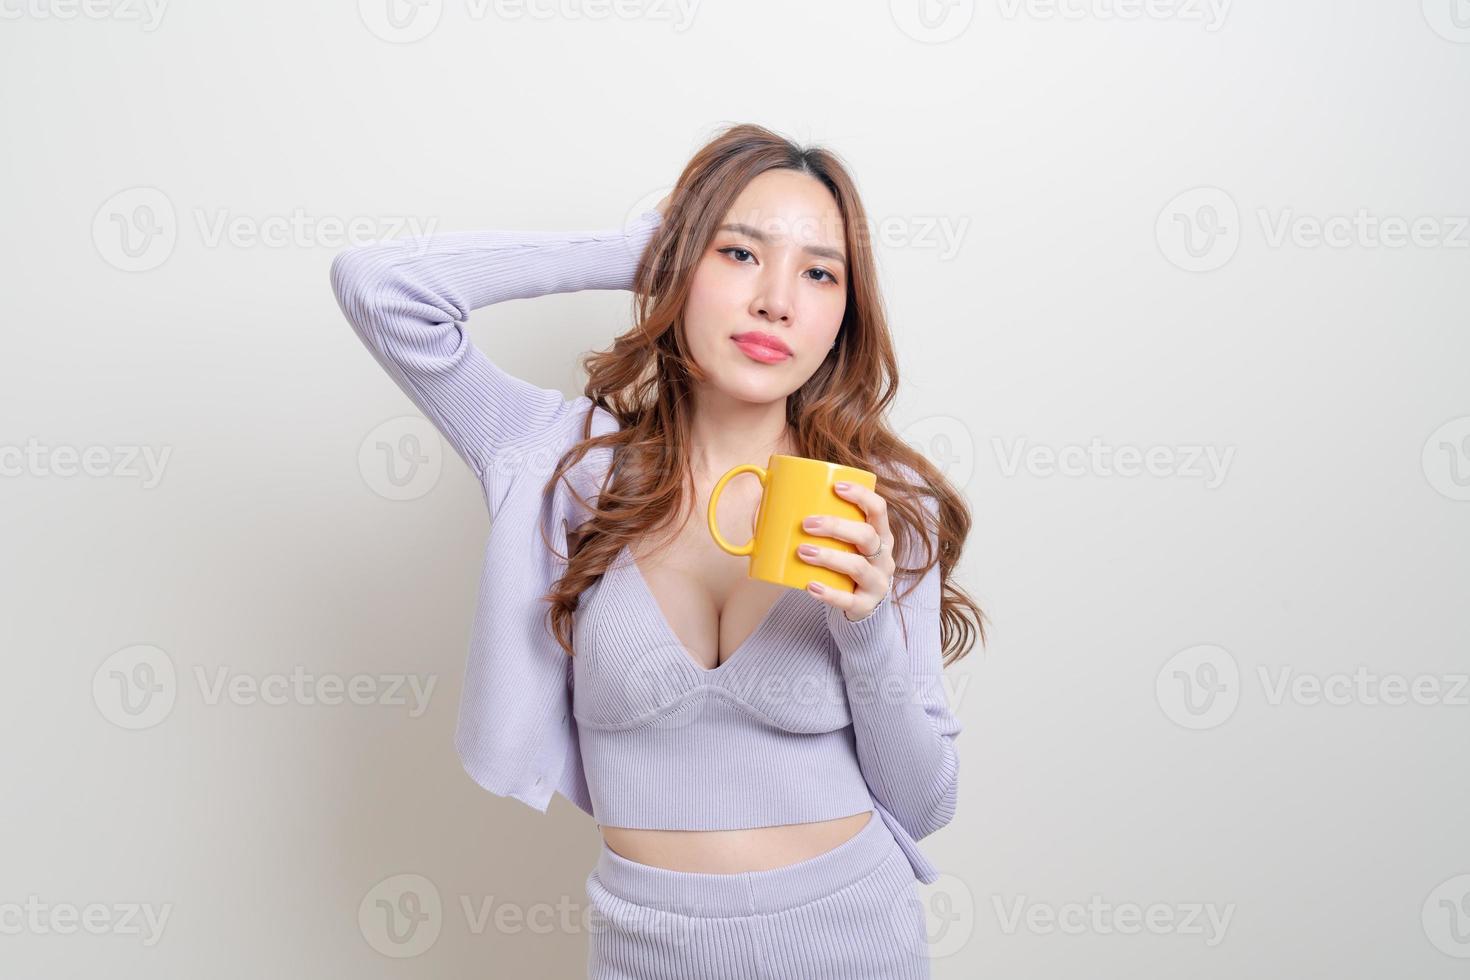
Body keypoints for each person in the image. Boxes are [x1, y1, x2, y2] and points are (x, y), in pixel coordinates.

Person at [330, 122, 986, 979]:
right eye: (739, 254)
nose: (776, 301)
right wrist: (620, 253)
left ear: (843, 318)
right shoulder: (565, 463)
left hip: (854, 935)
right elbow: (379, 286)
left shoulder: (877, 505)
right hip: (649, 947)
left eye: (819, 272)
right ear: (678, 265)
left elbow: (927, 800)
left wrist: (866, 631)